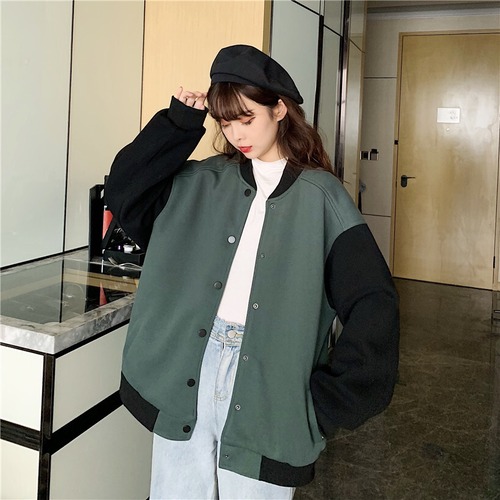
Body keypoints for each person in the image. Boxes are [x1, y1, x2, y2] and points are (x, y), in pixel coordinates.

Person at [105, 44, 399, 500]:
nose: (236, 134)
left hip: (272, 380)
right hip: (189, 363)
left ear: (279, 109)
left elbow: (373, 303)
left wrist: (327, 403)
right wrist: (179, 124)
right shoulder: (202, 180)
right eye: (226, 122)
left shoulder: (322, 197)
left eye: (247, 118)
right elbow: (125, 193)